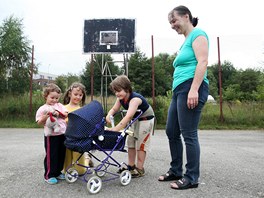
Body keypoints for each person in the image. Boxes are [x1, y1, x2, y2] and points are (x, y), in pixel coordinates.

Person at [158, 5, 209, 190]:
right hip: (179, 90)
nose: (172, 25)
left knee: (189, 134)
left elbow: (202, 61)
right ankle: (176, 170)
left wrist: (194, 89)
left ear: (186, 16)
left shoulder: (198, 34)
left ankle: (191, 177)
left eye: (174, 21)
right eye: (170, 23)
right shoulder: (186, 40)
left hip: (191, 87)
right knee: (171, 131)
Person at [105, 75, 155, 178]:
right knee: (130, 142)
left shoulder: (135, 99)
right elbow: (114, 109)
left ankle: (140, 169)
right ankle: (131, 166)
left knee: (141, 145)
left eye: (119, 90)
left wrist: (115, 129)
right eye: (115, 91)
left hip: (145, 120)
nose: (117, 93)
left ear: (127, 89)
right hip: (135, 120)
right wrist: (109, 115)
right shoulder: (120, 98)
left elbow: (128, 117)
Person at [35, 83, 68, 185]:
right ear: (46, 96)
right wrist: (46, 116)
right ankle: (49, 175)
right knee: (51, 155)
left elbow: (66, 114)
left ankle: (58, 172)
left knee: (61, 154)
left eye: (57, 98)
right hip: (51, 136)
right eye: (52, 97)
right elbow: (39, 122)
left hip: (62, 133)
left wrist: (59, 113)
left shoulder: (60, 106)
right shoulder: (42, 108)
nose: (54, 100)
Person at [62, 82, 94, 175]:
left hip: (78, 140)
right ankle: (75, 162)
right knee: (66, 171)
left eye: (80, 95)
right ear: (69, 94)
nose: (78, 97)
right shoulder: (62, 108)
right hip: (66, 139)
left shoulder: (82, 110)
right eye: (75, 94)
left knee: (81, 171)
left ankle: (87, 159)